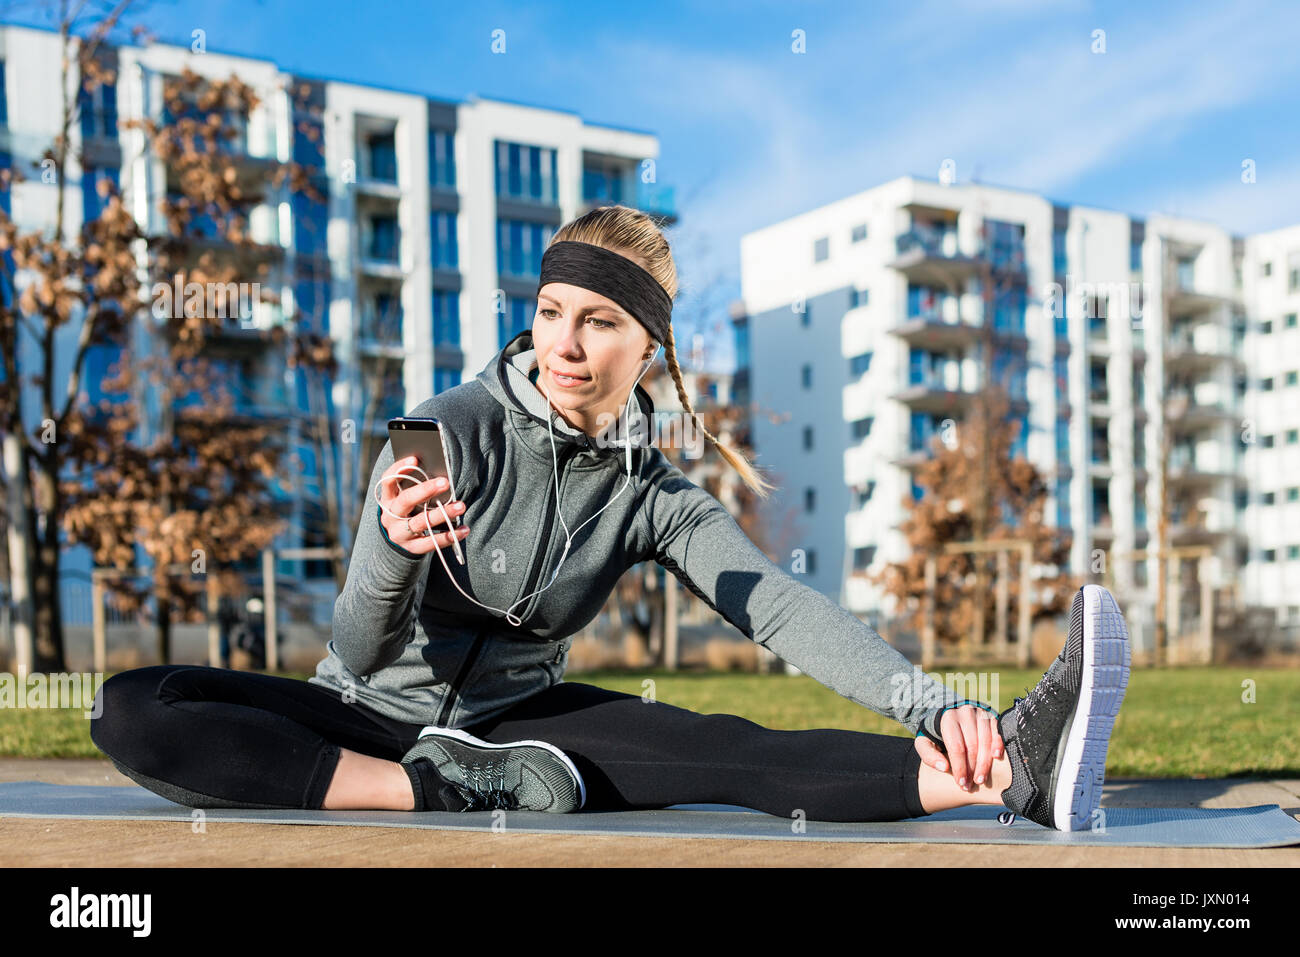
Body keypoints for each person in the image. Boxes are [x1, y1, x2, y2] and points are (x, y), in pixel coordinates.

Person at [90, 205, 1130, 829]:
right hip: (367, 720)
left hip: (519, 732)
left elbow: (780, 610)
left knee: (723, 746)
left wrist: (932, 704)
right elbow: (359, 647)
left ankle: (1011, 772)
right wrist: (386, 552)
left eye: (599, 322)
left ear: (649, 349)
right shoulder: (443, 434)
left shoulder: (650, 491)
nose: (566, 344)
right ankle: (436, 795)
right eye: (550, 312)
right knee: (135, 706)